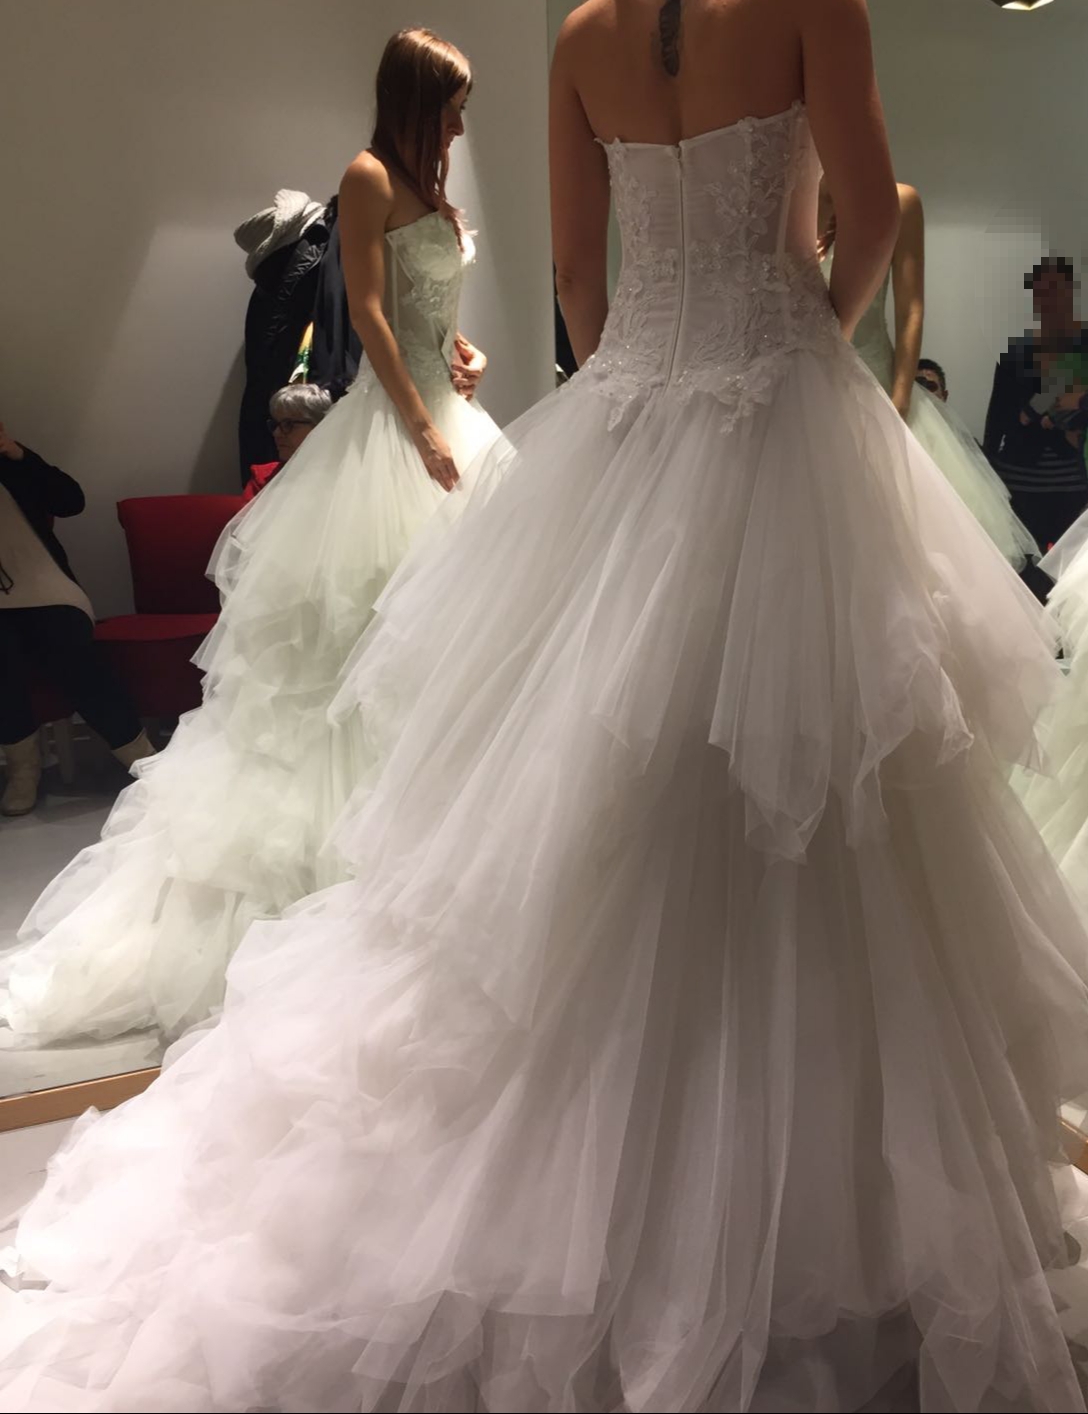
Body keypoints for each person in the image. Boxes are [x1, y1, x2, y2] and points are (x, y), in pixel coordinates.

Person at [3, 2, 1088, 1409]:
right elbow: (870, 216)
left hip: (632, 415)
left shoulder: (582, 35)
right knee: (823, 802)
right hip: (782, 411)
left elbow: (580, 277)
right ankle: (822, 1226)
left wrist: (644, 377)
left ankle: (586, 1191)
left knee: (591, 802)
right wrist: (807, 340)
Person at [0, 28, 498, 1047]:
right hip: (394, 437)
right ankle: (335, 892)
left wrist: (463, 353)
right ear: (414, 96)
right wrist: (417, 429)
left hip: (452, 420)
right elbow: (367, 314)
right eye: (451, 102)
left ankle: (440, 884)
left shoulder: (434, 193)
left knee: (460, 650)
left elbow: (424, 314)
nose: (460, 120)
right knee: (346, 661)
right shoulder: (368, 176)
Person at [820, 182, 1038, 568]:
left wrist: (900, 398)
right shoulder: (785, 201)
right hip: (801, 396)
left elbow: (911, 309)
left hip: (878, 391)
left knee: (907, 550)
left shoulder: (898, 201)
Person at [0, 425, 153, 817]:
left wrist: (20, 455)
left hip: (45, 585)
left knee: (68, 645)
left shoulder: (12, 461)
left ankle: (139, 755)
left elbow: (71, 501)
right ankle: (23, 769)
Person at [984, 256, 1088, 555]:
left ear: (1070, 291)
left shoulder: (1084, 346)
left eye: (1055, 289)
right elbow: (997, 415)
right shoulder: (1015, 352)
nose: (1048, 299)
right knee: (1023, 562)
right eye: (1040, 291)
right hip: (1019, 475)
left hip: (1074, 474)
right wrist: (986, 473)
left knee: (1072, 565)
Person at [243, 383, 334, 501]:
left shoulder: (345, 474)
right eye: (275, 425)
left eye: (288, 424)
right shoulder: (264, 478)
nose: (276, 433)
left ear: (319, 426)